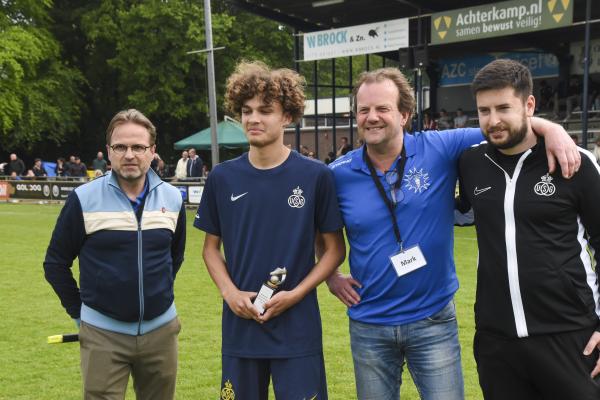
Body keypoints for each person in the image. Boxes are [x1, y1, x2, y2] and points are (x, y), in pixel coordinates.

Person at [326, 67, 580, 400]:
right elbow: (320, 232)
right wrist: (331, 275)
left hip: (432, 321)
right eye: (364, 110)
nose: (372, 117)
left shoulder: (439, 147)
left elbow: (501, 126)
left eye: (382, 109)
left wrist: (553, 128)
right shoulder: (336, 175)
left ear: (404, 114)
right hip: (369, 325)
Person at [194, 61, 345, 400]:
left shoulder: (316, 176)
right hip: (240, 327)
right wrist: (230, 292)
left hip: (298, 327)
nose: (253, 119)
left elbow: (335, 250)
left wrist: (298, 293)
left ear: (287, 116)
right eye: (246, 111)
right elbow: (209, 249)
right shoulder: (222, 177)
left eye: (265, 110)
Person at [458, 58, 600, 400]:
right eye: (484, 110)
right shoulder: (471, 163)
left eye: (504, 107)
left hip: (570, 336)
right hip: (497, 342)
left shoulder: (573, 161)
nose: (493, 121)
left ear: (529, 105)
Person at [43, 109, 186, 400]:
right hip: (102, 333)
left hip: (161, 331)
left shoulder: (172, 198)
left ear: (152, 151)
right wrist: (79, 314)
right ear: (109, 152)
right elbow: (55, 263)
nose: (130, 154)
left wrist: (156, 295)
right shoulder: (83, 198)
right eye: (120, 147)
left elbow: (175, 256)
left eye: (138, 147)